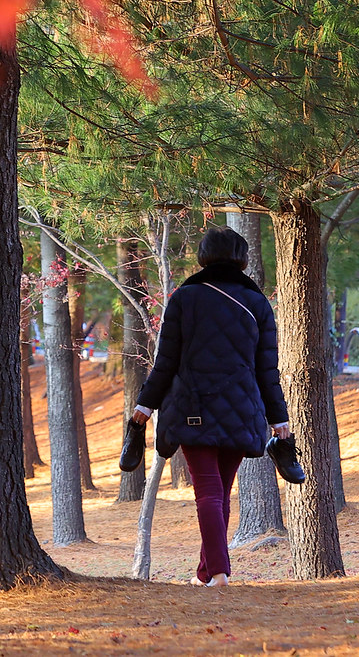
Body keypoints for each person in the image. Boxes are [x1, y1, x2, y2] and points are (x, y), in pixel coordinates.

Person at [130, 227, 289, 588]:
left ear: (203, 256)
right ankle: (207, 573)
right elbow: (268, 370)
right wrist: (279, 419)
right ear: (242, 258)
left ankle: (218, 573)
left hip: (192, 406)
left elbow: (165, 362)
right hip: (243, 410)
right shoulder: (258, 302)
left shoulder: (185, 298)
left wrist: (145, 405)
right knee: (220, 493)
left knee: (209, 492)